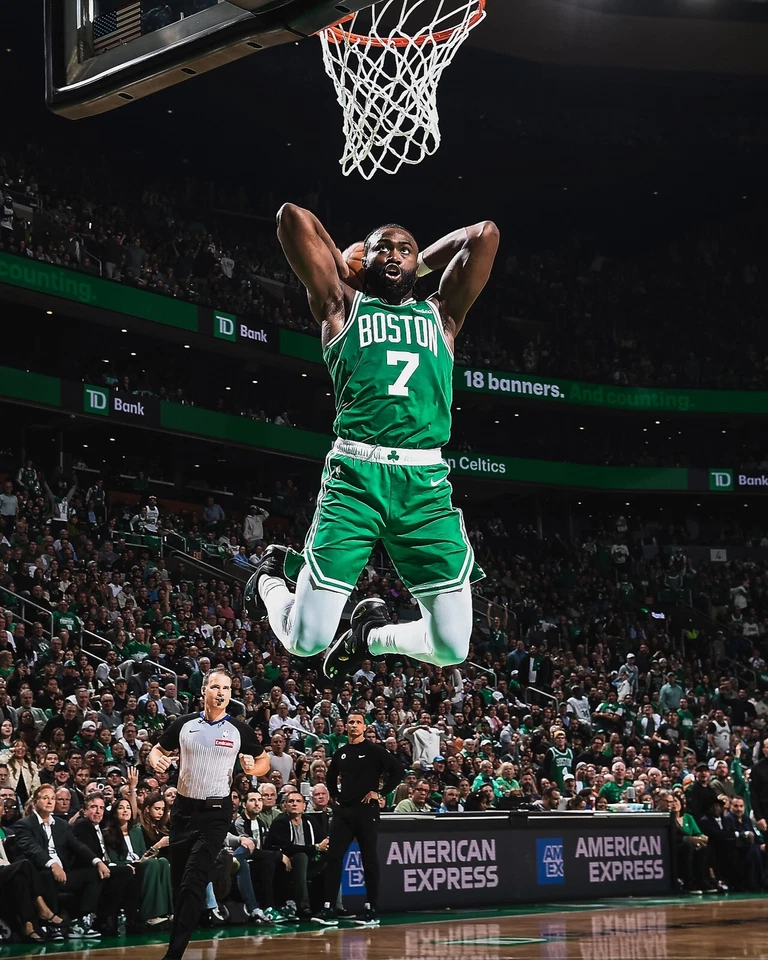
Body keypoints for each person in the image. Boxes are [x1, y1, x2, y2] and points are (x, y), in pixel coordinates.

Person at [244, 206, 499, 678]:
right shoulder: (341, 305)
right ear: (365, 257)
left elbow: (484, 234)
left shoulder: (441, 314)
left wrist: (418, 262)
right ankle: (268, 583)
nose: (394, 254)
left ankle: (370, 637)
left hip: (425, 484)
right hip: (356, 478)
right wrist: (343, 266)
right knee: (307, 640)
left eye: (405, 249)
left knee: (451, 646)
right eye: (383, 247)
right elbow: (290, 219)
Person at [148, 666, 270, 960]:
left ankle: (174, 954)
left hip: (216, 814)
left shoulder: (239, 729)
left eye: (226, 689)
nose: (221, 693)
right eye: (215, 687)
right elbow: (156, 750)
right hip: (182, 812)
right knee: (181, 884)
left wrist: (255, 768)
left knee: (193, 881)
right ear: (203, 690)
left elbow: (263, 759)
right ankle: (216, 881)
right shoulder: (184, 724)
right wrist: (156, 762)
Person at [314, 712, 403, 926]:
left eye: (358, 722)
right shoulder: (341, 752)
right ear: (345, 727)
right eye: (350, 722)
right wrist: (334, 797)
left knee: (369, 859)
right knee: (334, 856)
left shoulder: (374, 751)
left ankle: (371, 908)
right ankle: (329, 907)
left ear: (364, 727)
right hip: (344, 812)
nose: (354, 726)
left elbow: (398, 771)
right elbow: (330, 776)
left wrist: (380, 793)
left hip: (366, 811)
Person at [14, 783, 110, 940]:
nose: (50, 801)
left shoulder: (61, 824)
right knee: (48, 874)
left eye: (53, 798)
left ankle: (81, 921)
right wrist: (52, 864)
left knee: (94, 873)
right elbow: (32, 849)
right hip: (39, 872)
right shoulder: (24, 825)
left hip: (64, 872)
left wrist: (97, 861)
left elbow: (78, 846)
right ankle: (52, 925)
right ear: (35, 802)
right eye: (45, 798)